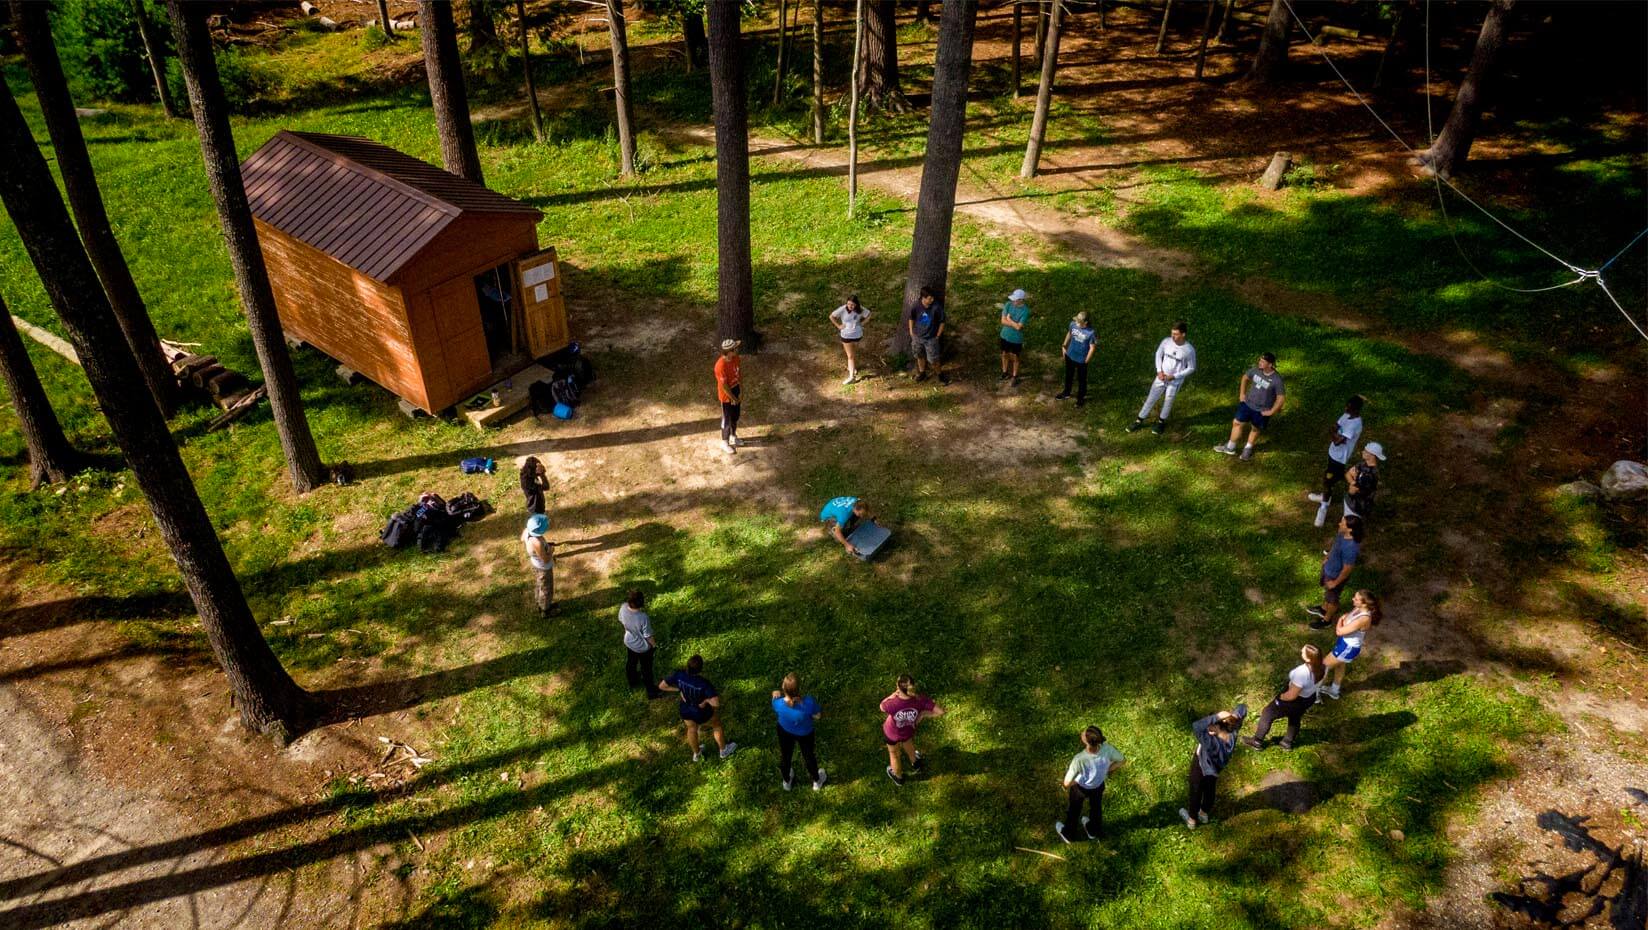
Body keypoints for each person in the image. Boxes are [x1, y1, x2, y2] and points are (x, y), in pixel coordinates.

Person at [1242, 645, 1324, 751]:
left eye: (1303, 652)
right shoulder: (1323, 667)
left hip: (1293, 700)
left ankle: (1256, 741)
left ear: (1308, 658)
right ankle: (1287, 742)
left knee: (1267, 713)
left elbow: (1292, 695)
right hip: (1308, 698)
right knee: (1295, 718)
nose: (1301, 651)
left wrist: (1281, 697)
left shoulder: (1302, 673)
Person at [659, 654, 738, 761]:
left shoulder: (679, 675)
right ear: (700, 669)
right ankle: (723, 750)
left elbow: (662, 686)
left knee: (691, 729)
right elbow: (716, 703)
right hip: (701, 712)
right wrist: (705, 700)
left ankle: (697, 754)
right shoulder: (703, 683)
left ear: (687, 665)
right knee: (716, 725)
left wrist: (679, 690)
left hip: (686, 709)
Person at [1180, 704, 1247, 830]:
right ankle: (1204, 813)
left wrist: (1218, 715)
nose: (1208, 726)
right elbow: (1242, 708)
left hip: (1200, 768)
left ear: (1216, 727)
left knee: (1196, 792)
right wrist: (1232, 717)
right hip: (1215, 771)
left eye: (1211, 724)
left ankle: (1192, 820)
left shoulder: (1210, 742)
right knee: (1210, 791)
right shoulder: (1233, 733)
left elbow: (1196, 726)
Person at [1056, 726, 1126, 844]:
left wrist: (1071, 783)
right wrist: (1108, 769)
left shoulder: (1079, 759)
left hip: (1080, 789)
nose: (1082, 733)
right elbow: (1122, 760)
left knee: (1074, 810)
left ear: (1087, 741)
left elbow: (1066, 782)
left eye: (1084, 734)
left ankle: (1069, 834)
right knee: (1096, 808)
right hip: (1098, 786)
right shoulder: (1108, 749)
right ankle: (1093, 830)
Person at [1127, 321, 1197, 435]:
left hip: (1175, 381)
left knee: (1168, 401)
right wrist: (1159, 371)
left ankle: (1161, 423)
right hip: (1161, 377)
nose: (1173, 336)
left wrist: (1174, 376)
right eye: (1172, 333)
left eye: (1176, 334)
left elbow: (1191, 368)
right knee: (1151, 398)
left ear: (1183, 334)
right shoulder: (1166, 342)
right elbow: (1158, 354)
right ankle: (1139, 420)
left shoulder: (1189, 350)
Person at [1215, 352, 1286, 461]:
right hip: (1247, 404)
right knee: (1237, 422)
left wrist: (1271, 412)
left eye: (1263, 362)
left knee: (1255, 429)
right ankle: (1230, 447)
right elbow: (1245, 378)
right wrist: (1242, 394)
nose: (1260, 363)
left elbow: (1280, 398)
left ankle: (1247, 449)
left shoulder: (1277, 380)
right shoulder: (1255, 370)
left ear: (1270, 365)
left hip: (1262, 410)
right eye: (1260, 360)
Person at [1308, 396, 1365, 527]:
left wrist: (1334, 434)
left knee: (1327, 481)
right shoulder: (1346, 415)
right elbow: (1335, 428)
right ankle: (1326, 497)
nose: (1345, 408)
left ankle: (1323, 509)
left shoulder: (1355, 424)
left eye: (1349, 407)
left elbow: (1338, 441)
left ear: (1355, 409)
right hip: (1332, 454)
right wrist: (1334, 434)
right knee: (1331, 479)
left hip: (1339, 459)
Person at [880, 674, 945, 786]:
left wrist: (891, 696)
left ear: (898, 687)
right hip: (908, 731)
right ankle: (915, 763)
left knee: (894, 754)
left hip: (891, 733)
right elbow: (941, 712)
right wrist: (923, 714)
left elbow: (881, 706)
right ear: (913, 685)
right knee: (908, 743)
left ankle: (898, 778)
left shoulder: (892, 703)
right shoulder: (920, 700)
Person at [1320, 590, 1380, 700]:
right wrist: (1343, 620)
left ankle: (1314, 695)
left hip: (1348, 647)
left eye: (1356, 599)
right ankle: (1334, 690)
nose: (1353, 599)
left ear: (1364, 603)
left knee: (1323, 666)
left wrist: (1339, 620)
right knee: (1340, 665)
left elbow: (1339, 631)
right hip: (1344, 642)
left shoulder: (1364, 618)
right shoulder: (1358, 608)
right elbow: (1347, 618)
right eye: (1354, 597)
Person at [1308, 514, 1364, 628]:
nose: (1339, 524)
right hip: (1329, 569)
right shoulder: (1342, 533)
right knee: (1328, 593)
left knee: (1333, 599)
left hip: (1335, 576)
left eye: (1342, 523)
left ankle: (1326, 621)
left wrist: (1335, 583)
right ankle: (1323, 609)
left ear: (1350, 529)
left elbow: (1347, 569)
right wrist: (1328, 556)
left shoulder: (1351, 548)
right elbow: (1335, 545)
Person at [771, 673, 826, 791]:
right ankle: (817, 781)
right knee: (808, 756)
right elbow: (818, 716)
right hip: (805, 733)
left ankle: (786, 781)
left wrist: (775, 694)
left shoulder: (777, 702)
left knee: (785, 756)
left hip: (784, 731)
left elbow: (776, 703)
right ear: (798, 690)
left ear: (783, 688)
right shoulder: (809, 702)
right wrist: (809, 716)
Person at [620, 590, 663, 699]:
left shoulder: (623, 607)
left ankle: (633, 681)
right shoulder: (643, 617)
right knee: (646, 669)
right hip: (643, 648)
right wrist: (654, 646)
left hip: (629, 642)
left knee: (631, 662)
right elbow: (648, 635)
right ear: (641, 602)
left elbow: (623, 622)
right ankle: (651, 692)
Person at [907, 286, 948, 384]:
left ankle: (940, 375)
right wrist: (912, 332)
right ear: (923, 298)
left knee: (934, 360)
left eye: (932, 298)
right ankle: (922, 373)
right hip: (917, 337)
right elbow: (911, 318)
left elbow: (942, 321)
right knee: (919, 356)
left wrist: (938, 335)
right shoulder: (916, 306)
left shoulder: (936, 307)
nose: (932, 300)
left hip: (931, 339)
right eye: (930, 298)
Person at [1055, 311, 1097, 408]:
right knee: (1068, 375)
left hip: (1081, 360)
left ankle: (1080, 398)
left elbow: (1092, 347)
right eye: (1077, 321)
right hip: (1070, 355)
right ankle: (1066, 393)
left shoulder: (1091, 333)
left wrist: (1086, 360)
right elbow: (1069, 334)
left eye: (1079, 322)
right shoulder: (1073, 324)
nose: (1077, 323)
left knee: (1081, 380)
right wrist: (1064, 346)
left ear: (1085, 322)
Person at [830, 295, 871, 385]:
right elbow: (831, 316)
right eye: (848, 304)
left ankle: (852, 376)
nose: (850, 306)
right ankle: (852, 371)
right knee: (851, 356)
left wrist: (862, 323)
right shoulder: (843, 309)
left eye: (852, 305)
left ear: (856, 304)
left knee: (851, 355)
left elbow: (869, 314)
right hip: (846, 335)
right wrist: (838, 326)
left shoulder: (860, 309)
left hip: (857, 335)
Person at [521, 514, 555, 617]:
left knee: (540, 584)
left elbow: (522, 539)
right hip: (543, 569)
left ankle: (539, 601)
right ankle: (545, 610)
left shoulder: (527, 531)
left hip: (535, 564)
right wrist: (550, 551)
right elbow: (545, 559)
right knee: (546, 588)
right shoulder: (537, 542)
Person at [1343, 442, 1386, 521]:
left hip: (1357, 507)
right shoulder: (1363, 464)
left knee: (1347, 528)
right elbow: (1347, 474)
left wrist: (1354, 479)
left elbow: (1352, 491)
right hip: (1351, 502)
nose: (1362, 452)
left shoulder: (1371, 475)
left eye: (1365, 451)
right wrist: (1353, 481)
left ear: (1372, 456)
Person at [715, 338, 742, 453]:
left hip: (735, 389)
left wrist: (741, 391)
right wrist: (733, 399)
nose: (737, 349)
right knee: (726, 418)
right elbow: (725, 387)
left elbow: (739, 374)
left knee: (735, 416)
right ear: (730, 351)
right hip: (727, 396)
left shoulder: (736, 358)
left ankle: (733, 436)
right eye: (735, 348)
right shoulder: (720, 366)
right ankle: (724, 442)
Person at [998, 288, 1031, 384]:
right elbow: (1002, 321)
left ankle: (1014, 376)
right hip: (1004, 335)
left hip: (1016, 339)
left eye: (1015, 300)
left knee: (1015, 357)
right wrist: (1014, 324)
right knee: (1004, 354)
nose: (1013, 301)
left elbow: (1019, 328)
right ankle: (1004, 373)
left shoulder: (1025, 311)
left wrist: (1009, 319)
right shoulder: (1008, 304)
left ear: (1021, 300)